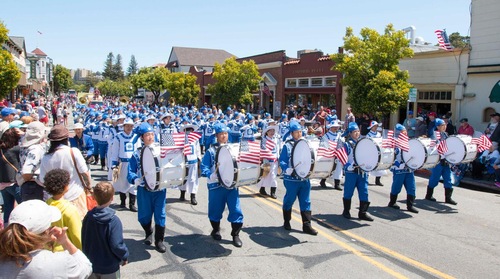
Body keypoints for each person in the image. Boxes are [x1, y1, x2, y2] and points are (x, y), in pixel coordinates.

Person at [0, 200, 92, 279]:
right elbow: (86, 267)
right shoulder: (58, 262)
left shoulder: (3, 259)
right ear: (46, 231)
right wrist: (65, 242)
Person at [201, 122, 244, 247]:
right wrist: (210, 175)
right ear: (217, 136)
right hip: (216, 186)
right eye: (221, 134)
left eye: (225, 133)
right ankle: (216, 230)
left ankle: (235, 235)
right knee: (215, 210)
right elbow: (204, 167)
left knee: (236, 210)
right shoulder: (211, 151)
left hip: (231, 186)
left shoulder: (233, 149)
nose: (224, 136)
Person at [127, 123, 167, 253]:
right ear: (142, 138)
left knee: (160, 215)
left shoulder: (161, 150)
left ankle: (159, 240)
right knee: (144, 216)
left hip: (159, 189)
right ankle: (148, 231)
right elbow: (130, 172)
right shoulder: (136, 154)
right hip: (144, 190)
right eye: (147, 135)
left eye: (151, 134)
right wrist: (135, 179)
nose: (150, 137)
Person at [39, 125, 91, 220]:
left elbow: (43, 180)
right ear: (66, 139)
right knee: (78, 226)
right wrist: (89, 187)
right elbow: (85, 173)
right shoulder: (73, 152)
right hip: (75, 195)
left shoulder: (46, 157)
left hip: (54, 199)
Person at [279, 120, 318, 235]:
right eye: (296, 132)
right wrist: (286, 169)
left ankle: (307, 225)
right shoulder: (287, 145)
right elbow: (282, 160)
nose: (299, 134)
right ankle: (287, 221)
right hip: (291, 180)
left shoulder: (306, 144)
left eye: (300, 131)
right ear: (291, 133)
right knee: (289, 200)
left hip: (304, 179)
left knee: (306, 201)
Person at [82, 181, 129, 277]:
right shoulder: (113, 221)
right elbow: (116, 244)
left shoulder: (88, 216)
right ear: (112, 198)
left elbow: (84, 237)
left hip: (91, 264)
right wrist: (124, 256)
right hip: (109, 267)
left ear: (94, 197)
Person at [44, 168, 83, 252]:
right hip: (66, 251)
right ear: (65, 186)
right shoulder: (70, 209)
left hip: (48, 250)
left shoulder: (45, 205)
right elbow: (76, 235)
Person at [341, 122, 373, 221]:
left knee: (364, 192)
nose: (357, 133)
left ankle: (362, 212)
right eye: (355, 132)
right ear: (350, 133)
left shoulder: (362, 143)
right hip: (351, 172)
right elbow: (342, 159)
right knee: (348, 192)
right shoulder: (346, 144)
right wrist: (348, 166)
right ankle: (346, 211)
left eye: (358, 131)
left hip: (362, 172)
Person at [110, 118, 141, 212]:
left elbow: (139, 150)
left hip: (133, 163)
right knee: (122, 182)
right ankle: (122, 202)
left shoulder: (136, 137)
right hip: (122, 163)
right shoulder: (118, 137)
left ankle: (132, 204)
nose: (129, 128)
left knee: (133, 183)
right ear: (123, 126)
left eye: (131, 126)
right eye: (127, 126)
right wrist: (114, 163)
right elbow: (115, 151)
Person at [425, 118, 457, 205]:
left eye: (445, 125)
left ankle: (448, 198)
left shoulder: (445, 135)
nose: (444, 126)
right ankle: (429, 195)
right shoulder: (434, 135)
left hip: (446, 160)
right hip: (438, 161)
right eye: (442, 125)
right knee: (434, 179)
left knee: (448, 179)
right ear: (438, 127)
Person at [388, 124, 419, 213]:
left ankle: (410, 205)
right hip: (399, 169)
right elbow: (391, 157)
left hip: (408, 169)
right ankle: (392, 202)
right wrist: (398, 164)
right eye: (402, 131)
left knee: (411, 187)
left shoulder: (409, 142)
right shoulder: (394, 143)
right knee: (396, 187)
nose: (405, 132)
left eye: (405, 131)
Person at [19, 121, 48, 202]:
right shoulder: (35, 149)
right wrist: (35, 180)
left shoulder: (24, 146)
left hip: (28, 186)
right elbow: (26, 171)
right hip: (35, 187)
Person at [0, 128, 22, 225]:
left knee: (8, 210)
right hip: (14, 183)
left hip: (2, 185)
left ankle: (6, 230)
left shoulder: (1, 150)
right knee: (24, 207)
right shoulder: (15, 150)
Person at [179, 124, 202, 205]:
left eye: (191, 130)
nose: (189, 132)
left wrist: (199, 159)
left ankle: (193, 196)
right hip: (184, 162)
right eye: (187, 130)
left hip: (193, 161)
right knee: (183, 178)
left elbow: (198, 150)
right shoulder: (181, 139)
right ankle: (182, 194)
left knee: (193, 179)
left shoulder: (195, 139)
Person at [257, 124, 280, 198]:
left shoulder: (276, 139)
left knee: (273, 176)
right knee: (265, 175)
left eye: (273, 130)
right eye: (270, 130)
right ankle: (262, 189)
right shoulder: (264, 140)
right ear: (267, 132)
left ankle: (273, 192)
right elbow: (263, 150)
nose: (272, 132)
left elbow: (278, 150)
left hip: (275, 160)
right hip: (267, 160)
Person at [319, 120, 343, 190]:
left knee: (338, 168)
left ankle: (337, 184)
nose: (335, 128)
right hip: (329, 154)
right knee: (328, 168)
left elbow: (341, 143)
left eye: (336, 127)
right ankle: (323, 181)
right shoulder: (326, 136)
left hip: (337, 154)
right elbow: (323, 145)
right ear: (330, 127)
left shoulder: (339, 135)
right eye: (334, 127)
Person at [366, 121, 385, 186]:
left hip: (378, 152)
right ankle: (366, 179)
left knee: (379, 166)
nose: (375, 127)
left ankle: (378, 180)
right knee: (369, 166)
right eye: (374, 126)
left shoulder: (379, 134)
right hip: (371, 152)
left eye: (376, 126)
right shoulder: (368, 135)